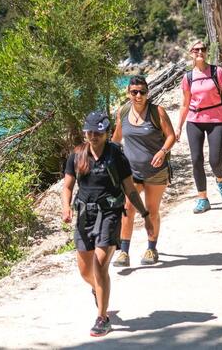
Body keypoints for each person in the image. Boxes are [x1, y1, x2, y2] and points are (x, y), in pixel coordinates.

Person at [61, 111, 153, 337]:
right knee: (85, 271)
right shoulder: (77, 156)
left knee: (100, 265)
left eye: (98, 132)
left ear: (106, 133)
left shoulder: (116, 156)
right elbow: (67, 187)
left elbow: (130, 189)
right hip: (85, 215)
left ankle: (102, 318)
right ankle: (98, 289)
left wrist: (145, 214)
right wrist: (65, 206)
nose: (93, 136)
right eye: (89, 132)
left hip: (110, 214)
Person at [111, 76, 176, 267]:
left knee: (151, 210)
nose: (138, 96)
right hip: (132, 173)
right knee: (127, 210)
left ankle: (151, 248)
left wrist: (163, 152)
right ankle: (123, 252)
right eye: (134, 92)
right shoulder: (123, 112)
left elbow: (171, 136)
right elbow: (116, 139)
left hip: (156, 173)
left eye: (142, 92)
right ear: (128, 93)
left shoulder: (157, 112)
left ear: (147, 93)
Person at [175, 39, 222, 213]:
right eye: (196, 50)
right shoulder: (188, 77)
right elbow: (184, 103)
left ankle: (220, 179)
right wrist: (179, 127)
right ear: (191, 53)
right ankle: (202, 198)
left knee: (215, 160)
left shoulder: (216, 71)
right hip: (194, 120)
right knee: (196, 160)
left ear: (206, 52)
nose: (199, 52)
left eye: (202, 49)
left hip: (216, 120)